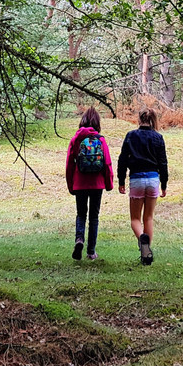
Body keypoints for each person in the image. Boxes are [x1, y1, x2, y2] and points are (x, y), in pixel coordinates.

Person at [117, 108, 167, 265]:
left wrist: (121, 180)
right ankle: (147, 255)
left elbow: (122, 160)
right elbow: (163, 163)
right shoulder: (158, 137)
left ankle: (141, 238)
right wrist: (164, 184)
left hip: (136, 179)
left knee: (135, 218)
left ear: (139, 120)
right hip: (153, 179)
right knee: (149, 218)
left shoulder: (131, 136)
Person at [65, 106, 113, 261]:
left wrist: (70, 184)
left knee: (81, 214)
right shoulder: (100, 140)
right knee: (94, 217)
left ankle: (79, 239)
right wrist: (109, 183)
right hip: (97, 184)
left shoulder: (76, 139)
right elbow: (107, 163)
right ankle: (91, 251)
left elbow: (69, 164)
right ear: (97, 123)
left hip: (80, 183)